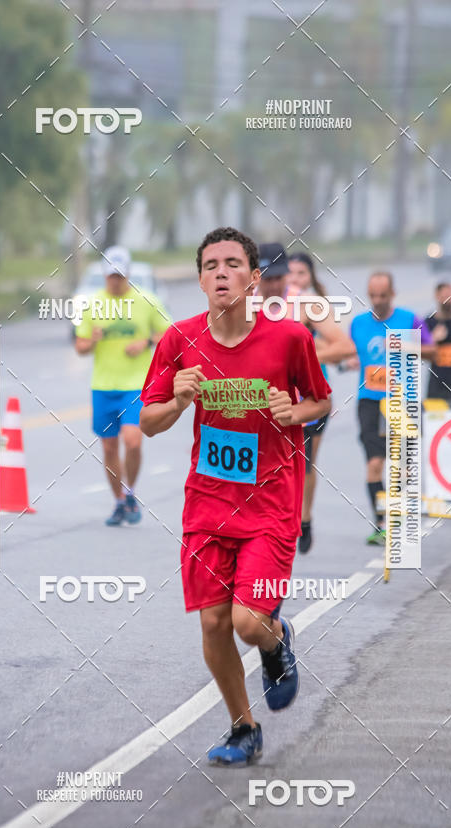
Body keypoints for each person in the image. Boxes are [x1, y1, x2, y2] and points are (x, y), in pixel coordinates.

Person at [140, 227, 331, 766]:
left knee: (249, 622)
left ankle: (274, 642)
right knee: (213, 623)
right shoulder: (178, 340)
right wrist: (177, 401)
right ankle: (243, 728)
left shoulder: (290, 339)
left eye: (232, 264)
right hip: (207, 502)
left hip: (271, 504)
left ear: (253, 278)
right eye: (210, 265)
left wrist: (295, 413)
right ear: (200, 279)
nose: (220, 273)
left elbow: (320, 401)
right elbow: (148, 423)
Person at [75, 246, 171, 526]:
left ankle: (130, 491)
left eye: (119, 275)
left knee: (132, 440)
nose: (115, 281)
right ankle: (119, 501)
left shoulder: (146, 300)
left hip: (136, 386)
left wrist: (146, 342)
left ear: (127, 274)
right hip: (103, 387)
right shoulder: (92, 304)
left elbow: (169, 333)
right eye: (110, 276)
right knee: (108, 448)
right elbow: (80, 347)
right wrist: (91, 341)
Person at [349, 271, 434, 545]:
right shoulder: (358, 324)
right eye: (372, 296)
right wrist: (348, 360)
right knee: (374, 464)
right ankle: (382, 523)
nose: (377, 301)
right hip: (370, 400)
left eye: (382, 296)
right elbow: (348, 352)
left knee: (404, 467)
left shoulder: (410, 319)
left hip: (403, 399)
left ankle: (403, 524)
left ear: (393, 294)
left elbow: (434, 351)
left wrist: (404, 345)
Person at [286, 252, 355, 553]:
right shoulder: (274, 306)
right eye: (290, 273)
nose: (295, 279)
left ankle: (305, 517)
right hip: (278, 396)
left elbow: (338, 347)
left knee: (304, 464)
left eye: (301, 273)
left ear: (311, 277)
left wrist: (308, 355)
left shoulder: (314, 307)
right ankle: (283, 520)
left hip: (313, 395)